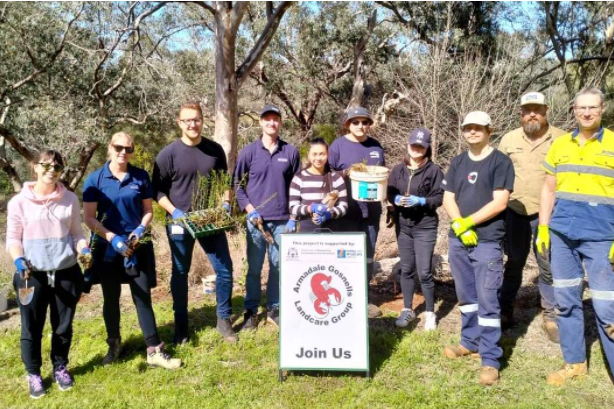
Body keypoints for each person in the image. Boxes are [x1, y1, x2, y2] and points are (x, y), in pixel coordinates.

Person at [83, 132, 181, 370]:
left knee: (142, 297)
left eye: (128, 148)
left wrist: (139, 229)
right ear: (110, 148)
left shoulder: (140, 176)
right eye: (119, 147)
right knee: (111, 299)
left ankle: (154, 349)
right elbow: (88, 218)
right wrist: (112, 237)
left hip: (138, 245)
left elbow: (148, 209)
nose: (123, 152)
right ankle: (114, 345)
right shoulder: (95, 179)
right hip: (107, 248)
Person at [538, 88, 614, 386]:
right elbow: (548, 188)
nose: (586, 113)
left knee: (607, 306)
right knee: (566, 301)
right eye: (581, 108)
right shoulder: (559, 145)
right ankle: (574, 363)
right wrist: (544, 227)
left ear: (602, 109)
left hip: (601, 236)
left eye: (592, 108)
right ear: (573, 110)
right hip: (562, 234)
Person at [6, 150, 92, 398]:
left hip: (66, 272)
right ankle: (33, 374)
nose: (51, 171)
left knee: (62, 327)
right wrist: (18, 259)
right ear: (35, 167)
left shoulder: (70, 199)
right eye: (46, 165)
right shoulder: (18, 202)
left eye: (56, 167)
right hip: (30, 275)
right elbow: (12, 238)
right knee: (31, 327)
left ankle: (60, 367)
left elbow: (76, 233)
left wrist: (83, 248)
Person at [152, 103, 236, 344]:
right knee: (180, 273)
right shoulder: (167, 155)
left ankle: (223, 320)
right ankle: (181, 328)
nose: (192, 124)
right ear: (179, 123)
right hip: (180, 223)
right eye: (187, 120)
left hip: (209, 221)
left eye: (196, 119)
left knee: (224, 270)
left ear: (202, 120)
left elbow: (224, 183)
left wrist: (225, 203)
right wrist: (174, 211)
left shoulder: (214, 150)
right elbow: (157, 191)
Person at [442, 111, 515, 385]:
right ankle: (469, 342)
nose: (472, 132)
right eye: (467, 128)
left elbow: (500, 202)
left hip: (486, 241)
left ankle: (490, 358)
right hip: (458, 240)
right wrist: (459, 224)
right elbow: (448, 197)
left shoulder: (500, 161)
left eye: (478, 128)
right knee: (466, 297)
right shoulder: (458, 161)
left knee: (487, 300)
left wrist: (470, 223)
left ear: (489, 130)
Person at [497, 92, 566, 341]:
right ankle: (505, 311)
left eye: (537, 109)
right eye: (527, 110)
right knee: (514, 261)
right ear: (521, 113)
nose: (532, 114)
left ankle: (551, 316)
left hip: (549, 214)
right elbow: (499, 173)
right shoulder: (509, 139)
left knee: (546, 263)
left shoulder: (561, 139)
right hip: (515, 211)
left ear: (546, 110)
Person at [233, 104, 301, 330]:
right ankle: (251, 311)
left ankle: (274, 308)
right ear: (261, 122)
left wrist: (293, 216)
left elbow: (296, 186)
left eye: (276, 119)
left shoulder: (290, 152)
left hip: (282, 220)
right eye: (267, 119)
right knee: (253, 268)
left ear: (280, 123)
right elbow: (237, 185)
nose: (271, 123)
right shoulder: (249, 152)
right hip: (255, 221)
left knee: (278, 266)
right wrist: (249, 209)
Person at [328, 107, 386, 318]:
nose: (361, 126)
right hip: (346, 212)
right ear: (347, 125)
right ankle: (342, 298)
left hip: (371, 212)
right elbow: (327, 176)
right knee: (344, 255)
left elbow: (382, 177)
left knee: (368, 256)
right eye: (356, 122)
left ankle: (363, 299)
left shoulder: (376, 147)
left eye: (364, 122)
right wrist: (346, 173)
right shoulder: (338, 146)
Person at [387, 128, 443, 330]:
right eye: (414, 145)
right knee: (407, 268)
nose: (417, 149)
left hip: (425, 225)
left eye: (421, 146)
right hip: (403, 225)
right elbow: (389, 192)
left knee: (425, 271)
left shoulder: (434, 170)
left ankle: (429, 312)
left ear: (427, 149)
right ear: (408, 146)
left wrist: (421, 201)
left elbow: (439, 198)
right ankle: (407, 309)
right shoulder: (397, 170)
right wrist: (395, 199)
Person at [288, 138, 348, 232]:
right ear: (308, 154)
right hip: (307, 231)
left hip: (331, 231)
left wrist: (329, 214)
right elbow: (293, 207)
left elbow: (343, 207)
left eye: (322, 154)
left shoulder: (337, 178)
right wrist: (310, 208)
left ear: (328, 155)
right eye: (314, 154)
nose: (318, 158)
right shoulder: (299, 179)